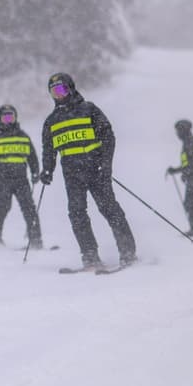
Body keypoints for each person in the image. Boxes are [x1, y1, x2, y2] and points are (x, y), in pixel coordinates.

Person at [39, 73, 136, 269]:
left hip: (96, 169)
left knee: (109, 209)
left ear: (71, 88)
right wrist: (47, 170)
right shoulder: (51, 121)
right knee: (77, 213)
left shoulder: (88, 109)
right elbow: (49, 150)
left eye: (61, 89)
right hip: (72, 174)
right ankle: (89, 255)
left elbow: (109, 137)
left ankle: (127, 251)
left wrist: (106, 164)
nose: (58, 95)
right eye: (54, 91)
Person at [0, 104, 43, 250]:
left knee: (29, 208)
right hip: (2, 179)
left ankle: (36, 239)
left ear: (15, 117)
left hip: (21, 179)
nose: (8, 119)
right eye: (5, 117)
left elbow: (32, 157)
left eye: (11, 116)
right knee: (3, 206)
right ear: (0, 119)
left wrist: (35, 172)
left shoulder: (23, 136)